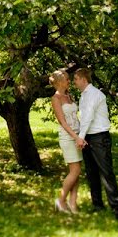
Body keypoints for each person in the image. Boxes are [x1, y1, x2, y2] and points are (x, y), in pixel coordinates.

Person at [73, 68, 118, 219]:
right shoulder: (84, 95)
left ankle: (116, 208)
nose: (74, 82)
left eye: (75, 79)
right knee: (91, 173)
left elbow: (88, 117)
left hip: (99, 138)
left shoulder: (94, 94)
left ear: (83, 79)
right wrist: (83, 137)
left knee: (106, 172)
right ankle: (97, 205)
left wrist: (80, 137)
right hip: (89, 137)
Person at [49, 69, 82, 214]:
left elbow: (76, 117)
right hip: (68, 137)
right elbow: (63, 122)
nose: (69, 81)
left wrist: (81, 134)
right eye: (67, 79)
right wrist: (75, 137)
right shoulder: (55, 99)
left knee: (76, 172)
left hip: (78, 135)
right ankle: (61, 200)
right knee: (75, 170)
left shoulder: (69, 96)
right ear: (60, 82)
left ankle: (72, 203)